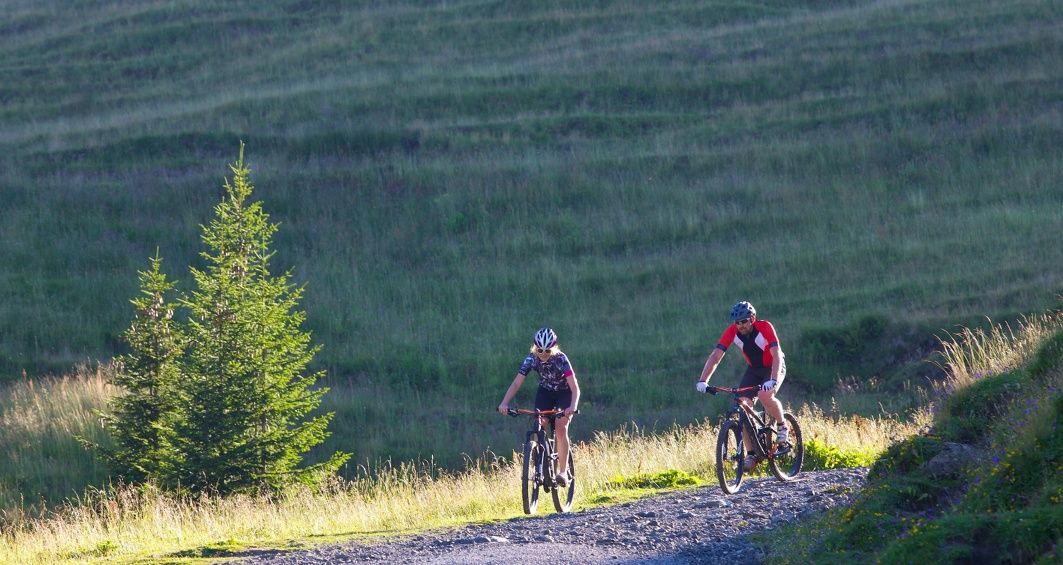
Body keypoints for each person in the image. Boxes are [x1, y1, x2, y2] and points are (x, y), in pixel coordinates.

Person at [695, 301, 789, 470]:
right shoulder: (732, 331)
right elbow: (716, 355)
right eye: (737, 322)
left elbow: (776, 354)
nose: (740, 325)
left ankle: (782, 427)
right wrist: (703, 380)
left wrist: (773, 379)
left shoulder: (765, 327)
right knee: (742, 406)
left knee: (765, 395)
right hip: (754, 369)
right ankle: (752, 454)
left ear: (752, 318)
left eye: (744, 321)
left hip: (774, 365)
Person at [498, 327, 581, 486]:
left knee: (560, 427)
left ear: (554, 348)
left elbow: (575, 387)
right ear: (535, 348)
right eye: (539, 350)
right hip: (545, 392)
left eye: (547, 350)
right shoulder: (531, 359)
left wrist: (572, 406)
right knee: (539, 422)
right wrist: (504, 403)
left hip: (564, 393)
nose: (543, 353)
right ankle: (540, 465)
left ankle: (563, 472)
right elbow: (516, 383)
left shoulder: (561, 359)